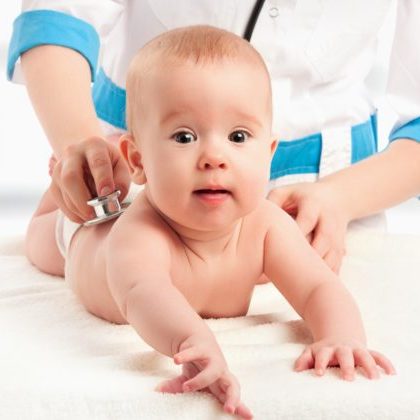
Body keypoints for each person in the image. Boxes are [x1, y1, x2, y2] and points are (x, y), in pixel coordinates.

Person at [25, 26, 395, 419]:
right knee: (41, 240)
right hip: (87, 237)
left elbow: (318, 286)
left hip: (152, 197)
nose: (214, 157)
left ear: (268, 153)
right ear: (137, 160)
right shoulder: (138, 236)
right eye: (184, 137)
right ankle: (57, 193)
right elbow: (144, 294)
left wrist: (341, 336)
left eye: (238, 136)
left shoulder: (265, 226)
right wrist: (196, 344)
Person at [7, 1, 420, 273]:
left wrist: (340, 198)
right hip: (137, 188)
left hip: (323, 212)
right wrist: (79, 145)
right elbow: (57, 17)